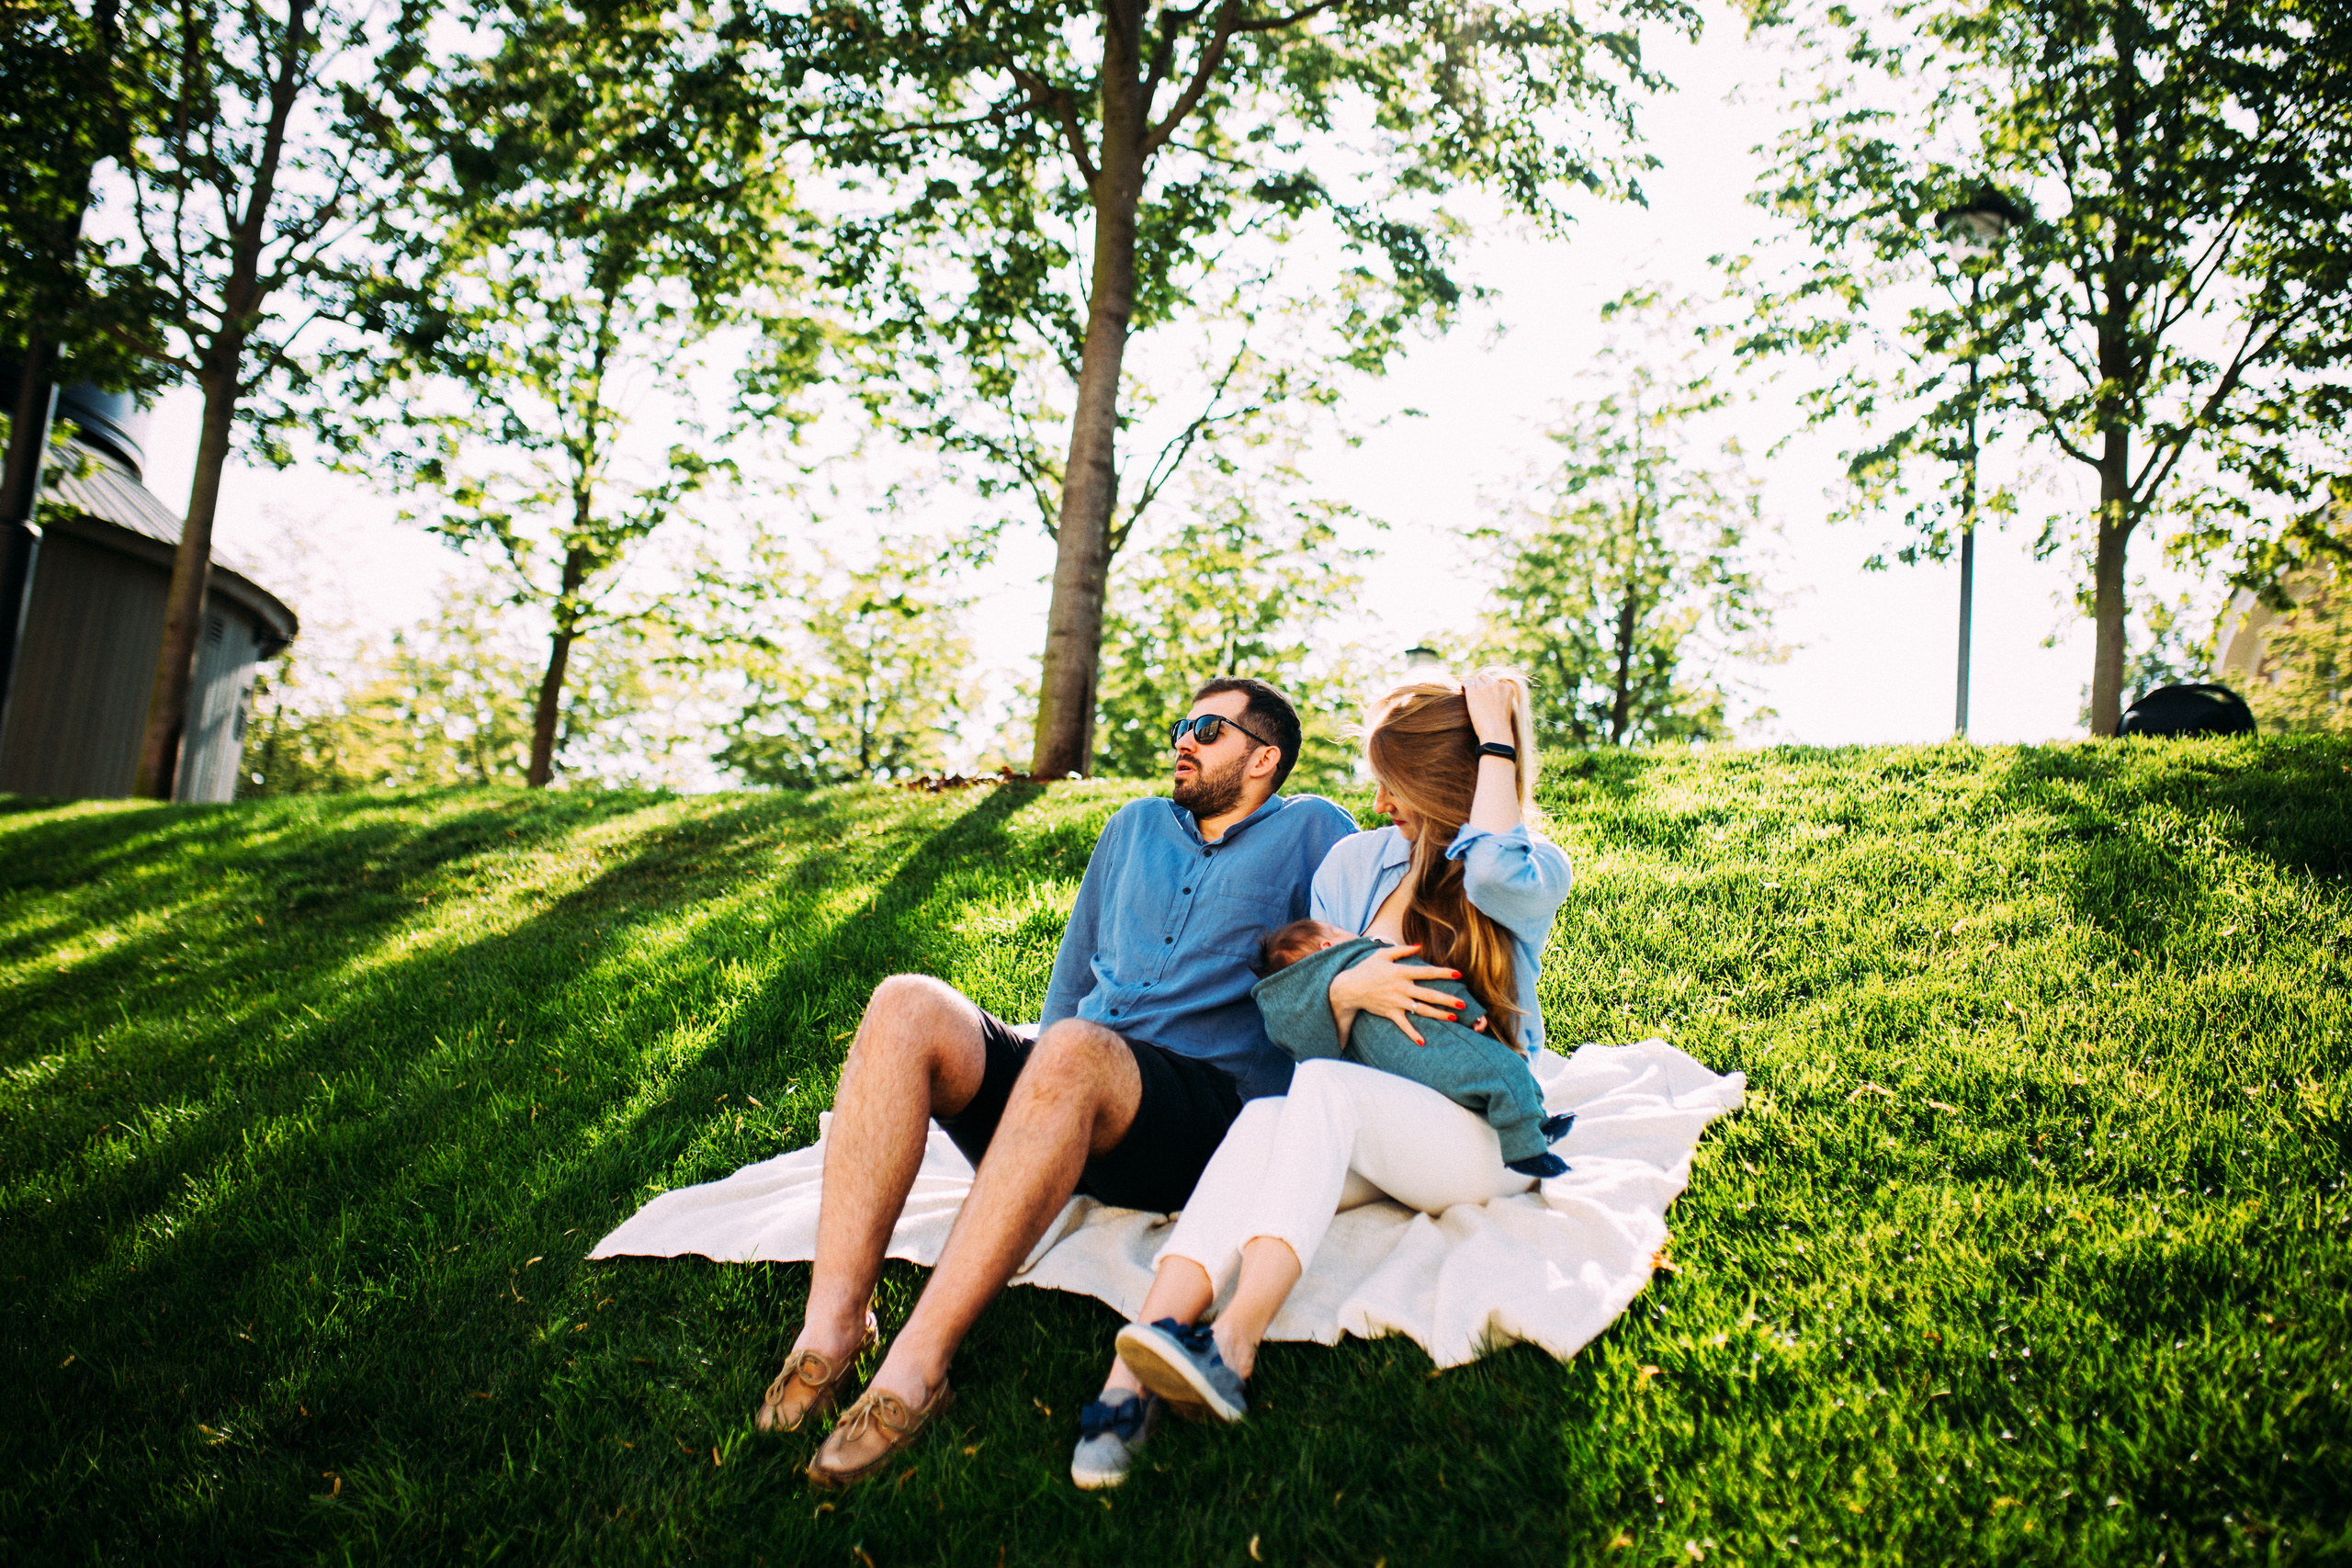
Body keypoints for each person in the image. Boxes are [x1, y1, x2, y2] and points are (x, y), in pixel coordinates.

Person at [763, 676, 1358, 1490]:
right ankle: (833, 1330)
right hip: (1075, 1075)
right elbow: (1071, 981)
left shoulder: (1317, 828)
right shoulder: (1134, 826)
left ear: (1265, 756)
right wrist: (1034, 1096)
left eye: (1208, 729)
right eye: (1182, 725)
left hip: (1197, 1111)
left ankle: (915, 1366)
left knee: (1076, 1047)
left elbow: (1351, 961)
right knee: (907, 1000)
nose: (1182, 739)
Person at [1069, 670, 1571, 1486]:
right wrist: (1341, 990)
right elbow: (1299, 1044)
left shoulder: (1524, 867)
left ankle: (1231, 1344)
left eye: (1395, 785)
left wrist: (1497, 740)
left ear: (1445, 781)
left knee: (1323, 1098)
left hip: (1480, 1137)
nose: (1379, 806)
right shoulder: (1353, 864)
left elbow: (1491, 875)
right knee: (1267, 1118)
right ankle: (1136, 1372)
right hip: (1373, 1130)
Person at [1250, 917, 1572, 1175]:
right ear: (1328, 944)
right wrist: (1469, 1010)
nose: (1350, 931)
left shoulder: (1310, 1011)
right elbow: (1428, 977)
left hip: (1400, 1083)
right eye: (1339, 929)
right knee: (1504, 1070)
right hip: (1434, 1044)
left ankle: (1539, 1124)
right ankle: (1527, 1149)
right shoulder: (1367, 957)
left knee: (1487, 1083)